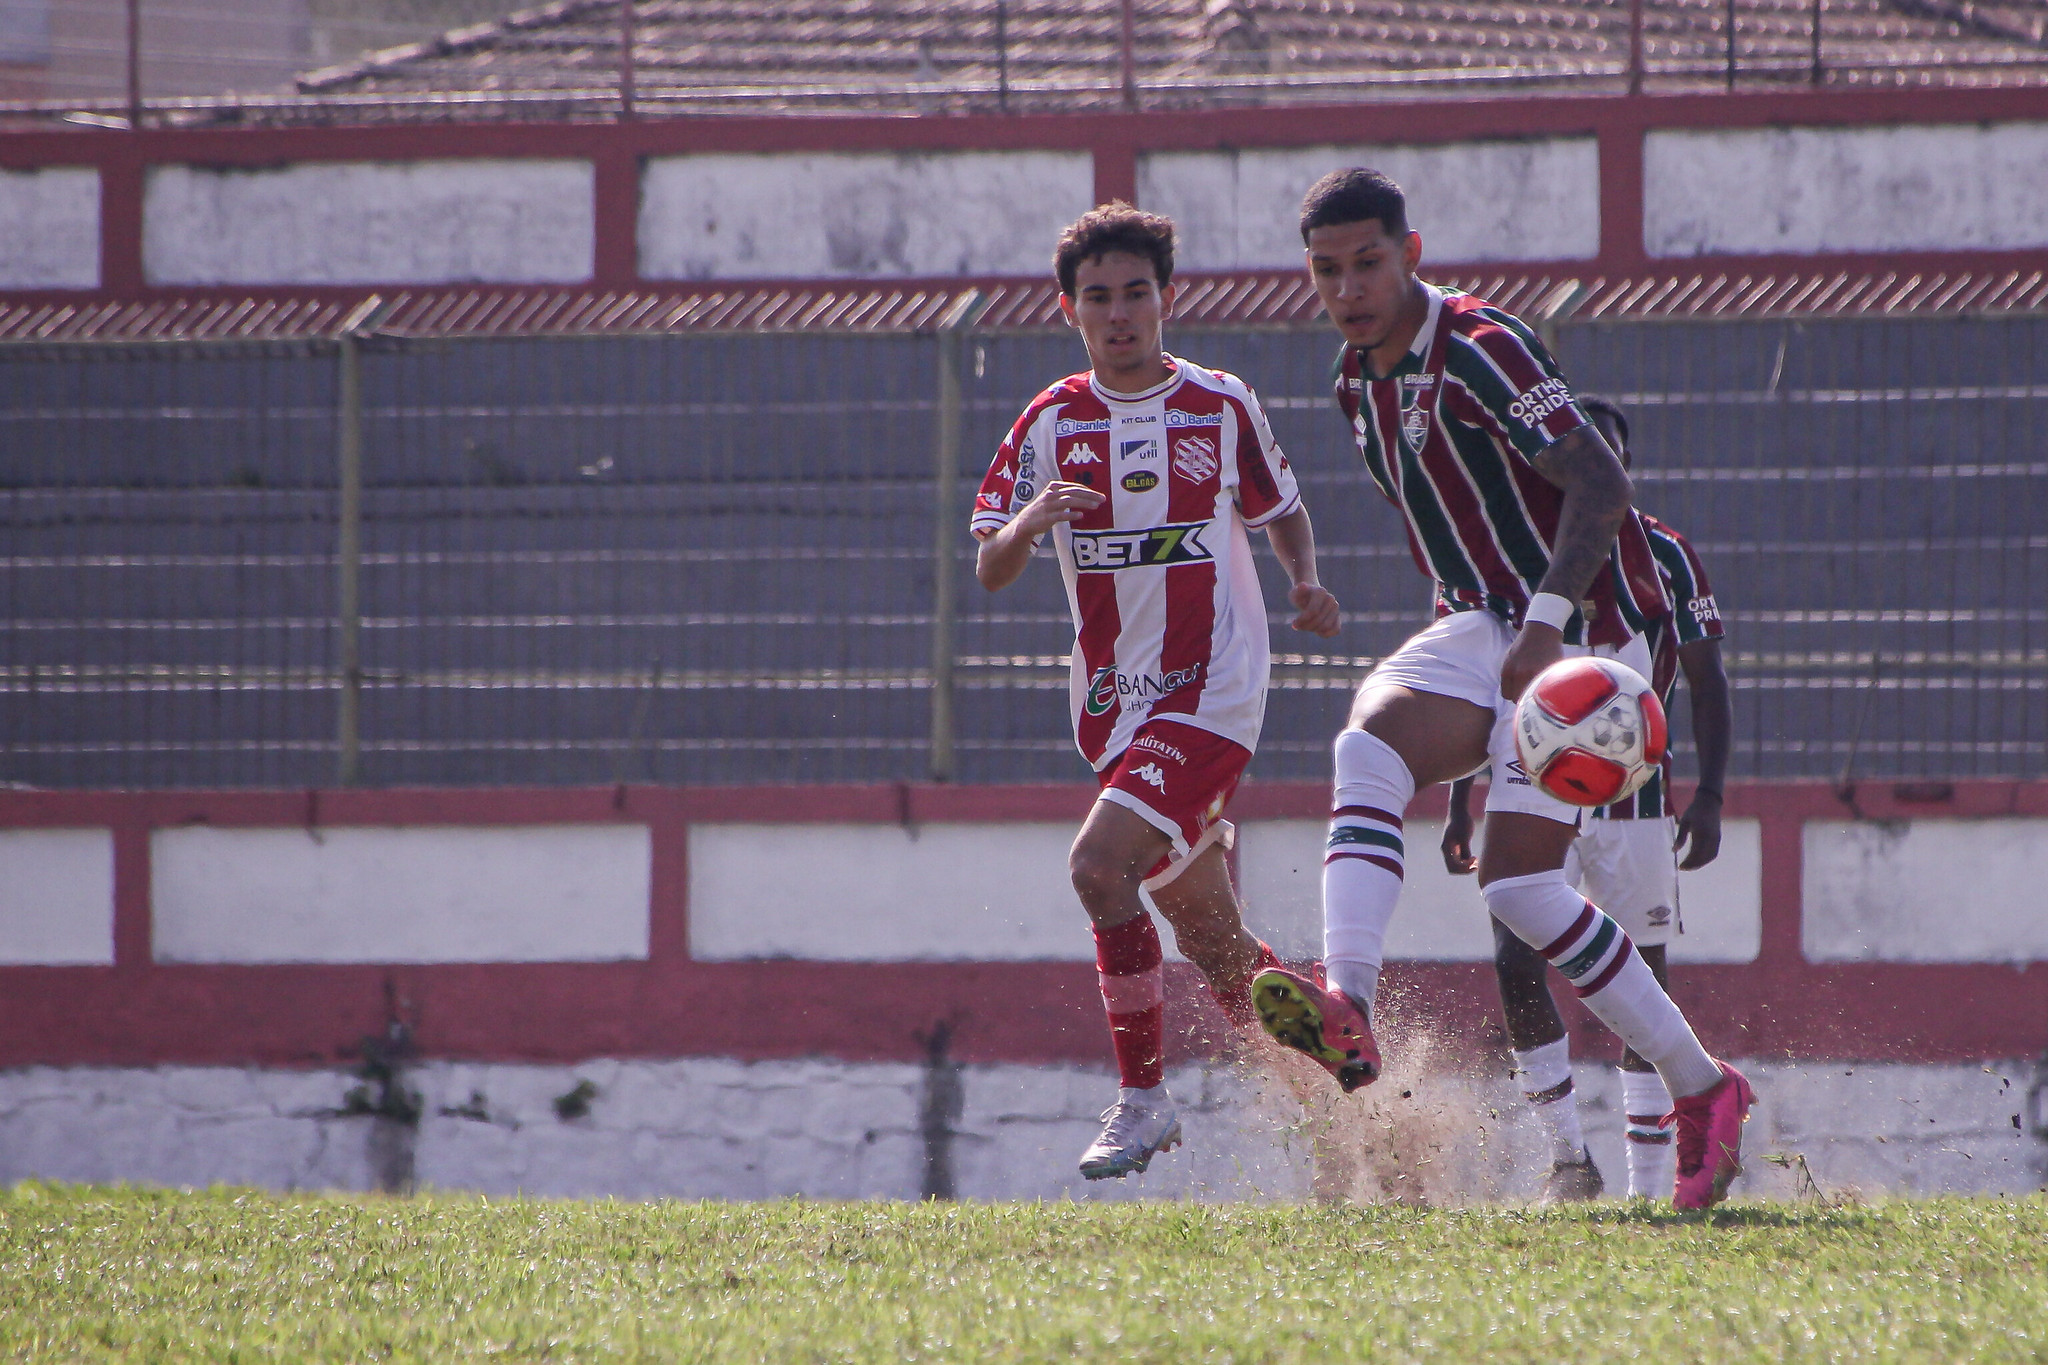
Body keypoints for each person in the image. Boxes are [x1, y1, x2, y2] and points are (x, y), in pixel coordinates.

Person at [1247, 168, 1753, 1210]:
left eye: (1368, 263)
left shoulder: (1481, 346)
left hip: (1582, 636)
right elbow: (1456, 532)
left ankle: (1699, 1091)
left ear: (1410, 254)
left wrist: (1545, 622)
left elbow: (1602, 484)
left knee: (1518, 891)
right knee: (1369, 746)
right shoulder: (1353, 382)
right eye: (1327, 270)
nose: (1348, 288)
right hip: (1482, 621)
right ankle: (1347, 1002)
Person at [971, 203, 1343, 1181]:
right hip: (1114, 709)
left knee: (1099, 868)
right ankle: (1347, 1105)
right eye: (1098, 297)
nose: (1119, 313)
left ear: (1165, 298)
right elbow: (989, 567)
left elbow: (1281, 507)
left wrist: (1304, 581)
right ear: (1069, 310)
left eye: (1136, 292)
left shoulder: (1219, 403)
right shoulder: (1049, 421)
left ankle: (1142, 1098)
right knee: (1213, 944)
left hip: (1213, 691)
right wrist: (1028, 524)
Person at [1441, 395, 1733, 1202]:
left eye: (1604, 458)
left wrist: (1710, 793)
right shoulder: (1506, 562)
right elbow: (1479, 685)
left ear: (1620, 472)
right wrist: (1460, 799)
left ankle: (1648, 1183)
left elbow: (1706, 676)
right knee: (1515, 959)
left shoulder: (1667, 554)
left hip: (1635, 799)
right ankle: (1568, 1160)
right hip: (1530, 792)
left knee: (1644, 977)